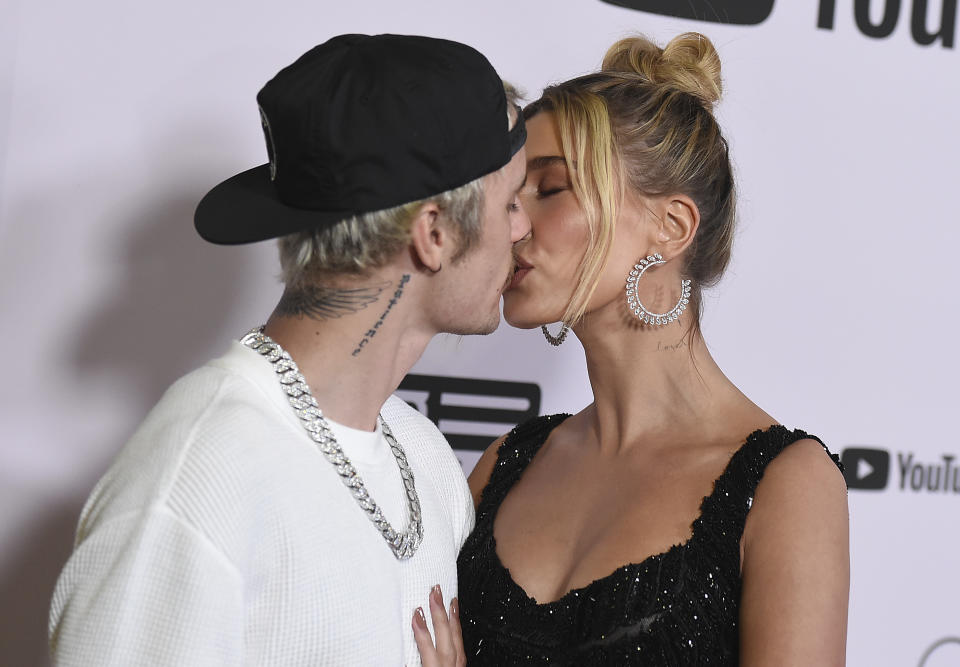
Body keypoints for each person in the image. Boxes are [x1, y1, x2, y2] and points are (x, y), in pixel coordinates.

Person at [49, 34, 528, 666]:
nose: (523, 228)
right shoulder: (195, 481)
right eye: (511, 201)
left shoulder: (427, 461)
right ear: (434, 234)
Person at [457, 32, 849, 665]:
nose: (512, 223)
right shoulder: (505, 465)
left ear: (670, 227)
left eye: (549, 189)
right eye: (509, 194)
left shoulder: (785, 485)